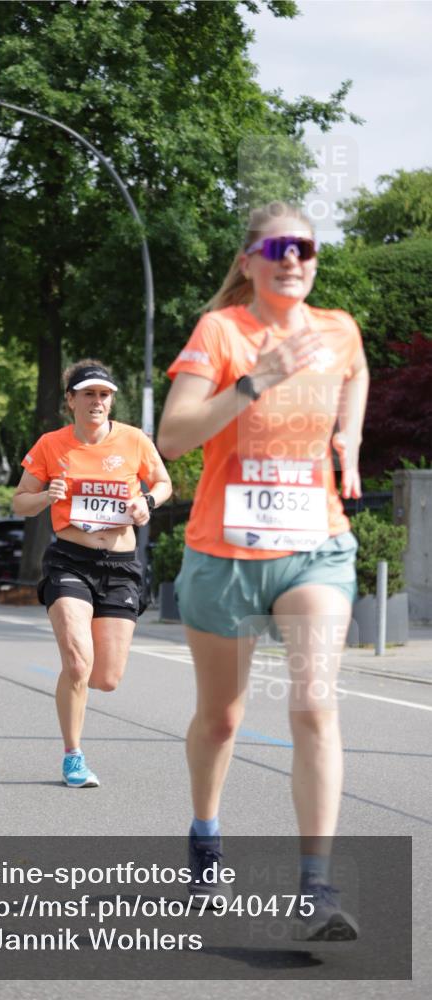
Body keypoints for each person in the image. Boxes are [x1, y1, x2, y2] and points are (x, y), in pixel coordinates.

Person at [158, 202, 369, 941]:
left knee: (314, 705)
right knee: (222, 719)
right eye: (277, 248)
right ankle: (205, 837)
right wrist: (253, 380)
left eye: (304, 248)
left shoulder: (337, 329)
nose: (293, 260)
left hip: (315, 547)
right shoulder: (221, 332)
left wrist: (349, 437)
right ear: (248, 261)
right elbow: (173, 437)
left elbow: (356, 372)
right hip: (224, 556)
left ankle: (316, 888)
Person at [13, 360, 172, 788]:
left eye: (104, 395)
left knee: (106, 678)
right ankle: (73, 755)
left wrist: (147, 503)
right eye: (88, 394)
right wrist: (46, 495)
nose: (97, 402)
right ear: (71, 400)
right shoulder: (51, 445)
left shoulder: (134, 440)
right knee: (78, 662)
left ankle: (77, 680)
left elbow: (163, 483)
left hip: (120, 566)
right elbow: (19, 501)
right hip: (70, 561)